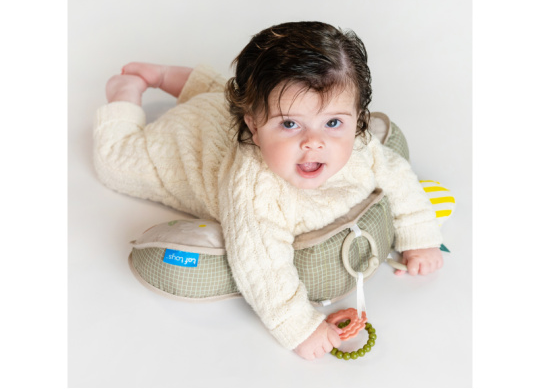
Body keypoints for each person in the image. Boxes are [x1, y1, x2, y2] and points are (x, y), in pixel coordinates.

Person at [94, 21, 443, 360]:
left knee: (229, 91)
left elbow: (397, 176)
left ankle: (166, 75)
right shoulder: (255, 189)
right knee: (115, 162)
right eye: (290, 124)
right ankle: (126, 92)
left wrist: (420, 238)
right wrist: (300, 328)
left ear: (357, 117)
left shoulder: (360, 146)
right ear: (254, 127)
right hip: (186, 142)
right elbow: (262, 266)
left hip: (230, 107)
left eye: (333, 122)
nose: (314, 142)